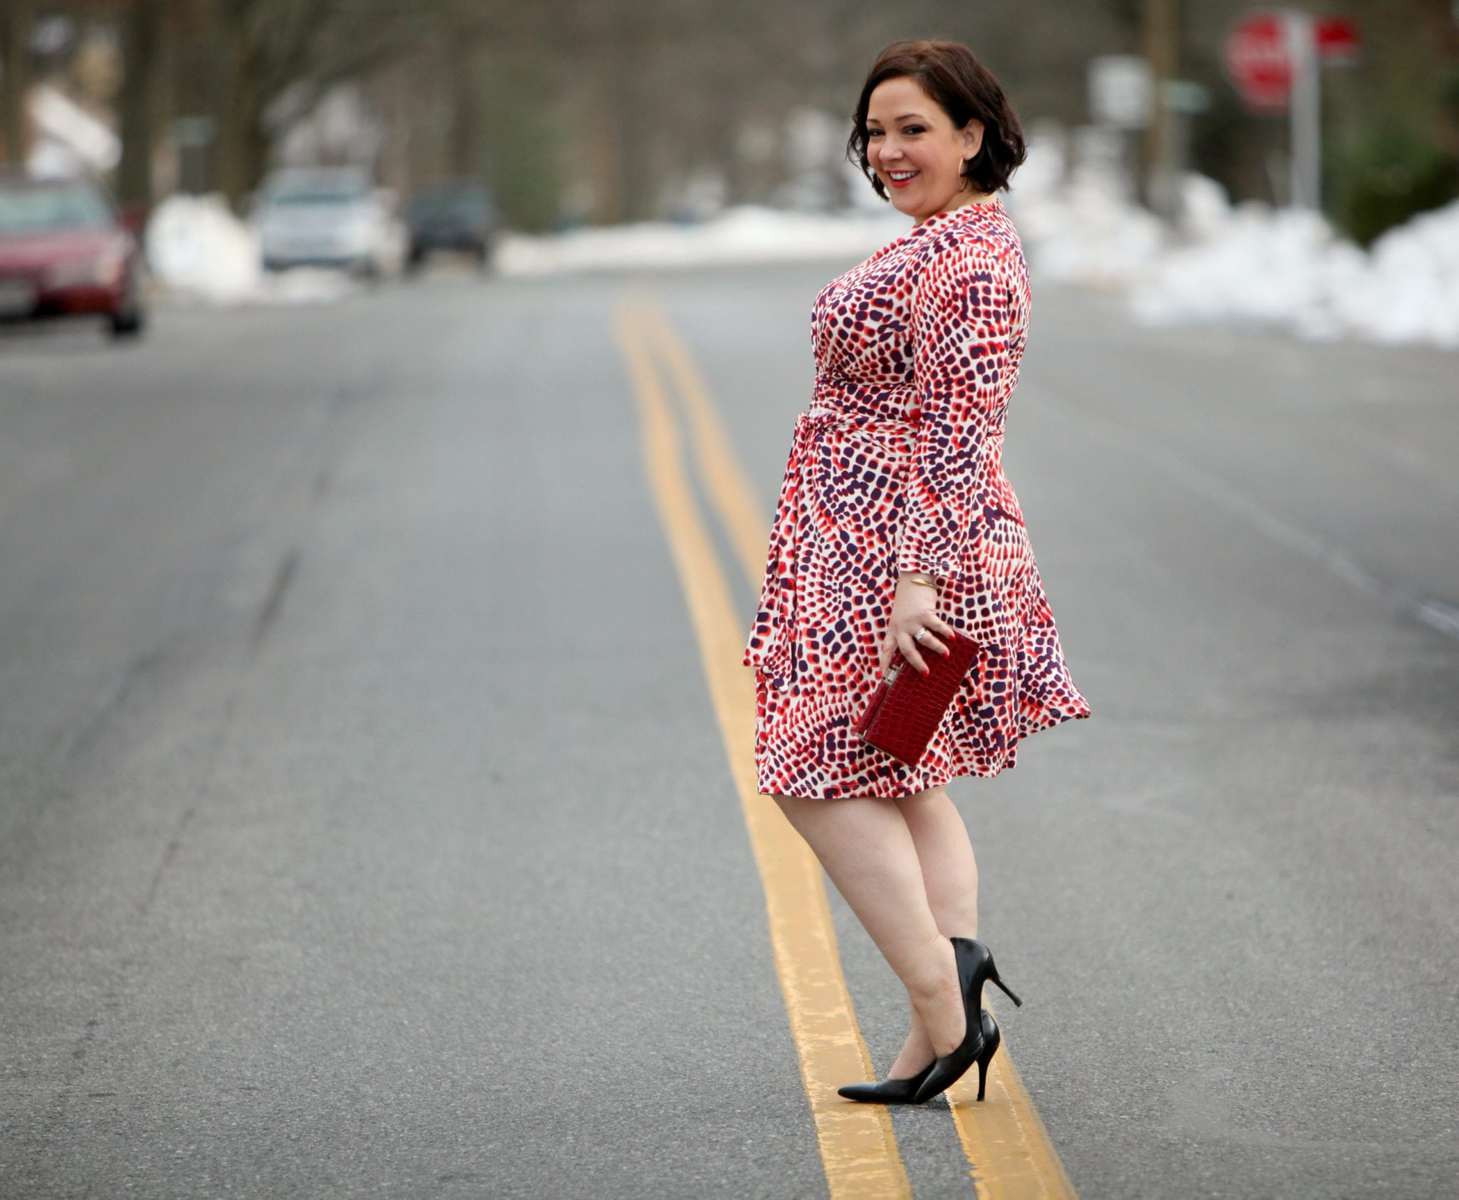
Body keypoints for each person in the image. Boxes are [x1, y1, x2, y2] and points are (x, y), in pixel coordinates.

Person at [740, 39, 1093, 1105]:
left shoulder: (976, 261)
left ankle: (947, 996)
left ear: (973, 135)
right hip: (853, 537)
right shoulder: (940, 239)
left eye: (914, 131)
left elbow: (960, 434)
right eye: (876, 132)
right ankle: (934, 1032)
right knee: (908, 777)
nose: (888, 152)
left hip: (901, 554)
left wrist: (919, 585)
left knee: (807, 769)